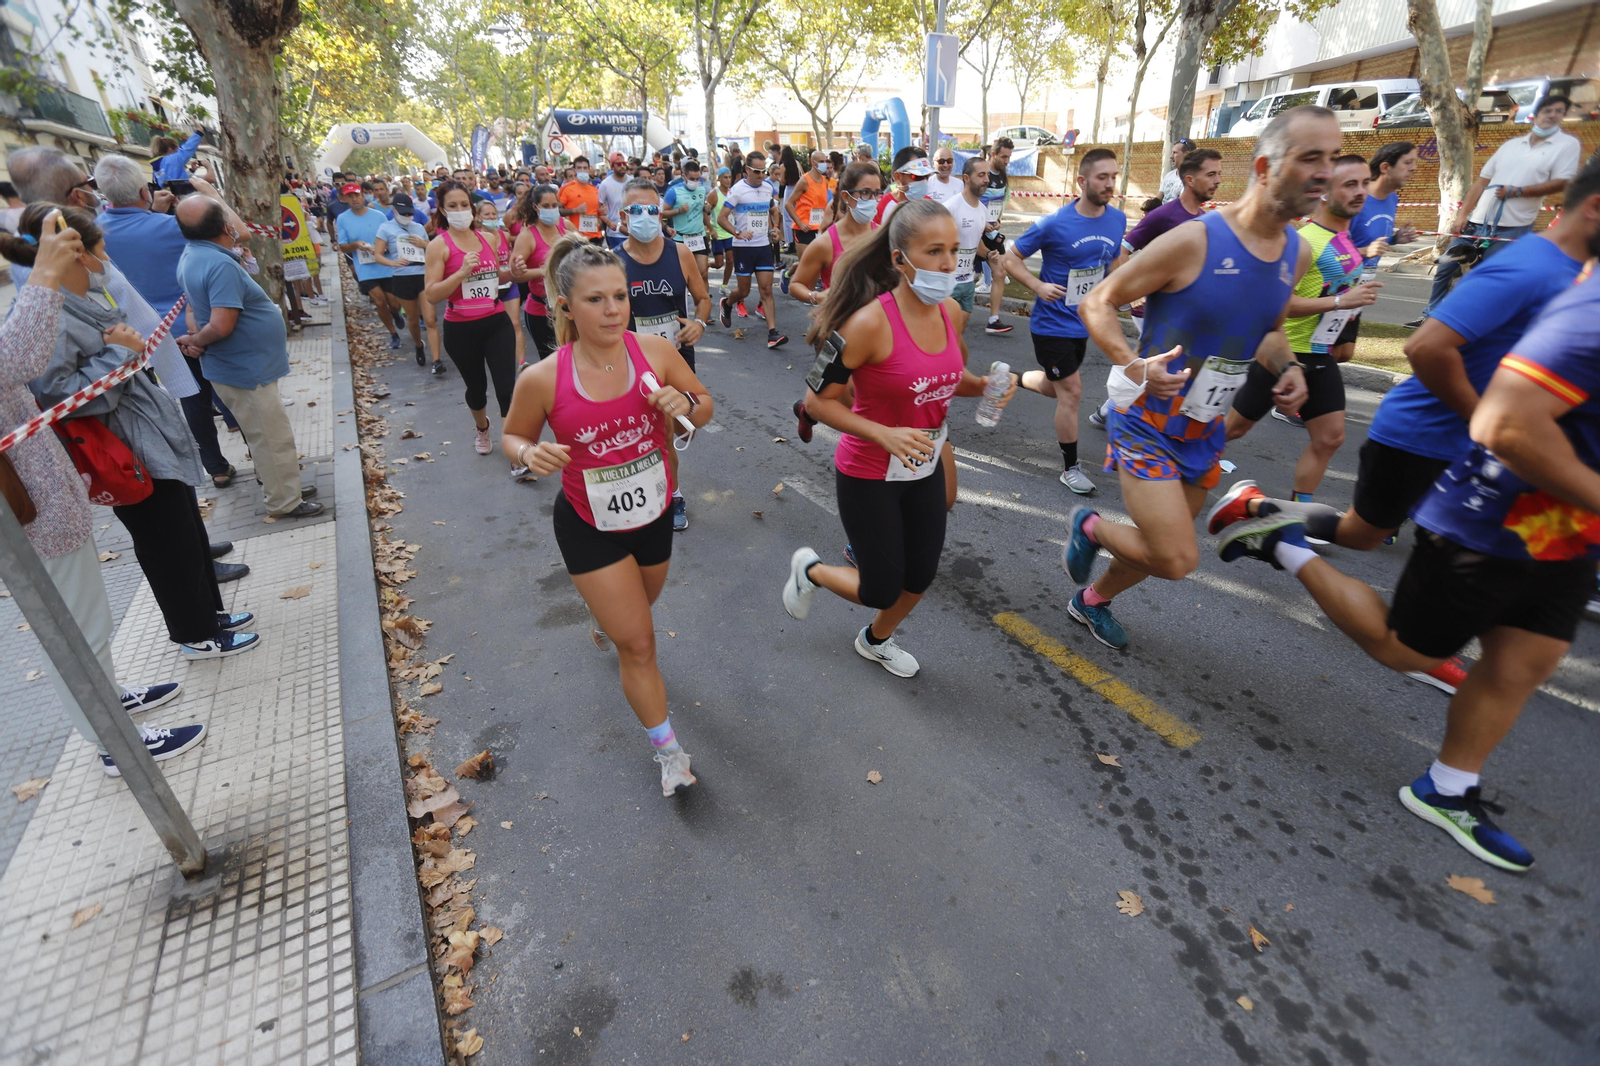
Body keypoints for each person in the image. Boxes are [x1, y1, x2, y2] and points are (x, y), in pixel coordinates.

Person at [1218, 271, 1600, 873]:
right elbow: (1504, 418)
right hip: (1492, 515)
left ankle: (1447, 787)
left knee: (1523, 663)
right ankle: (1282, 541)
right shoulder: (1581, 304)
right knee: (1403, 648)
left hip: (1571, 531)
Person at [1208, 167, 1600, 690]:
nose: (1357, 194)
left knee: (1357, 514)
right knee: (1357, 531)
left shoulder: (1579, 277)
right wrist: (1484, 422)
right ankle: (1419, 639)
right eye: (1346, 184)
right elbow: (1423, 346)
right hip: (1419, 429)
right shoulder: (1531, 267)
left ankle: (1257, 506)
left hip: (1436, 422)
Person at [1062, 106, 1330, 650]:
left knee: (1162, 549)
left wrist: (1291, 367)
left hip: (1204, 425)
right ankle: (1089, 525)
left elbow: (1271, 329)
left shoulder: (1296, 252)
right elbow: (1099, 300)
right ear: (1263, 167)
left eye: (1330, 157)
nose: (1323, 172)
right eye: (1309, 158)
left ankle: (1091, 602)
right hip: (1148, 419)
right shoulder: (1197, 240)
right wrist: (1134, 364)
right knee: (1179, 558)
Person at [499, 237, 715, 798]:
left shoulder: (655, 352)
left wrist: (684, 406)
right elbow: (514, 434)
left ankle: (605, 615)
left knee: (639, 610)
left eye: (620, 295)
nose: (614, 309)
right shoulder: (543, 378)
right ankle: (669, 752)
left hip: (654, 514)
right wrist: (528, 454)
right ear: (566, 305)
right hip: (587, 523)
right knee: (639, 643)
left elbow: (705, 405)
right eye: (596, 299)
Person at [10, 204, 262, 664]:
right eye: (102, 252)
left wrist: (125, 353)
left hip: (146, 430)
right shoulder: (51, 318)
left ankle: (210, 614)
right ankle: (195, 632)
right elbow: (59, 396)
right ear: (78, 256)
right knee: (164, 541)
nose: (109, 263)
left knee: (185, 529)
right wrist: (120, 356)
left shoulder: (91, 295)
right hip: (120, 447)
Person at [0, 211, 201, 774]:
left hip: (43, 491)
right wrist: (43, 273)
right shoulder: (50, 301)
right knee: (74, 627)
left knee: (86, 618)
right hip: (27, 507)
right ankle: (116, 742)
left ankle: (108, 698)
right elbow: (20, 362)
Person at [781, 199, 1016, 676]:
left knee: (921, 575)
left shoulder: (950, 312)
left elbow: (956, 379)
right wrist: (883, 434)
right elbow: (816, 401)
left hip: (921, 462)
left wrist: (992, 385)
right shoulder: (865, 323)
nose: (948, 264)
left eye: (954, 250)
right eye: (934, 252)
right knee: (880, 588)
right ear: (899, 260)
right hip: (869, 468)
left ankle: (875, 639)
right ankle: (812, 571)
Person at [1221, 154, 1380, 525]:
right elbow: (1276, 305)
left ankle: (1296, 516)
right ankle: (1172, 460)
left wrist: (1344, 323)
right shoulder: (1306, 241)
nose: (1361, 192)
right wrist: (1341, 300)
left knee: (1330, 439)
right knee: (1234, 428)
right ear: (1324, 192)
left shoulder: (1343, 237)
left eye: (1364, 183)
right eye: (1350, 185)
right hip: (1285, 353)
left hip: (1319, 353)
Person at [92, 153, 249, 496]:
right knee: (233, 391)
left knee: (192, 400)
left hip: (147, 336)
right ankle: (258, 453)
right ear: (143, 189)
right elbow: (237, 235)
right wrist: (206, 195)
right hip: (200, 322)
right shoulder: (169, 225)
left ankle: (216, 467)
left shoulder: (92, 232)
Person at [173, 197, 322, 521]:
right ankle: (284, 501)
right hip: (244, 368)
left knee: (265, 435)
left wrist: (196, 339)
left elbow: (198, 310)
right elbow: (222, 324)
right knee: (271, 438)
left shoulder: (194, 255)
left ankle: (284, 485)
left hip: (241, 366)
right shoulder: (220, 263)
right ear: (226, 226)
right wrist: (197, 341)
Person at [1004, 148, 1127, 496]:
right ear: (1082, 181)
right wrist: (1037, 285)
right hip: (1051, 324)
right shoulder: (1055, 223)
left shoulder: (1117, 220)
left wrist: (1113, 293)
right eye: (1102, 177)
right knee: (1071, 392)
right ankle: (1070, 468)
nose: (1109, 184)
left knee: (1055, 386)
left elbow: (1114, 259)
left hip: (1084, 323)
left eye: (1113, 177)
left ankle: (1012, 377)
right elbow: (1011, 258)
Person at [1417, 94, 1581, 323]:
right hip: (1476, 222)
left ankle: (1477, 321)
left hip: (1512, 227)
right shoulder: (1511, 145)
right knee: (1444, 269)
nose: (1552, 115)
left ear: (1563, 117)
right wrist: (1463, 214)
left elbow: (1563, 181)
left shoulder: (1567, 145)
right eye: (1548, 110)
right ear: (1536, 114)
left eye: (1559, 112)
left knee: (1490, 277)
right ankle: (1430, 317)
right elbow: (1481, 182)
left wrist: (1518, 191)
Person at [615, 179, 712, 532]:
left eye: (652, 209)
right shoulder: (614, 262)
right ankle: (672, 494)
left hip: (678, 356)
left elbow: (703, 298)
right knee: (662, 432)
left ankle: (665, 484)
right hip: (635, 361)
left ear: (660, 213)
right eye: (636, 210)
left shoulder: (680, 252)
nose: (645, 216)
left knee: (683, 427)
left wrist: (699, 323)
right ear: (624, 216)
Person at [787, 161, 883, 443]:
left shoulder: (882, 235)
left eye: (876, 193)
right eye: (865, 193)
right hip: (835, 334)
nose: (872, 200)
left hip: (876, 332)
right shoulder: (825, 243)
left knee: (865, 402)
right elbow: (796, 285)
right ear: (846, 197)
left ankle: (810, 410)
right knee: (849, 406)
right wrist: (816, 296)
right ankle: (810, 411)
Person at [424, 181, 519, 464]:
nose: (460, 210)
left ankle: (514, 451)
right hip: (461, 329)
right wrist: (461, 272)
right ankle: (482, 428)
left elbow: (495, 277)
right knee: (476, 390)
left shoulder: (488, 238)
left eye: (464, 205)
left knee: (506, 389)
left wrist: (511, 272)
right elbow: (431, 294)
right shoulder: (438, 246)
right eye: (452, 206)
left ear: (472, 207)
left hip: (496, 322)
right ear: (442, 209)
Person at [1340, 141, 1418, 360]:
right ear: (1385, 167)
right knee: (1332, 352)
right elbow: (1329, 246)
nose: (1414, 168)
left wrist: (1395, 239)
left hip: (1363, 283)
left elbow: (1372, 240)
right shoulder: (1356, 199)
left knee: (1344, 353)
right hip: (1339, 283)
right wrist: (1365, 251)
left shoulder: (1392, 199)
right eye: (1408, 162)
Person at [716, 149, 788, 349]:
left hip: (763, 246)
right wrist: (737, 232)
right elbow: (721, 218)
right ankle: (727, 304)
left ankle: (773, 333)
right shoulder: (738, 190)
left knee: (766, 289)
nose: (761, 175)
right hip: (743, 248)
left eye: (763, 171)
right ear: (747, 170)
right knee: (745, 291)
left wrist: (775, 228)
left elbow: (774, 210)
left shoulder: (767, 188)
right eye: (757, 171)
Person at [336, 182, 403, 350]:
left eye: (357, 195)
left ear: (363, 196)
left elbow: (390, 236)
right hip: (364, 267)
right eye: (350, 196)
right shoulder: (343, 219)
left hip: (384, 263)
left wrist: (385, 247)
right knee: (380, 301)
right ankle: (393, 334)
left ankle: (395, 313)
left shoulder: (378, 216)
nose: (354, 199)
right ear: (345, 199)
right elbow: (342, 246)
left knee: (394, 303)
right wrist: (357, 245)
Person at [509, 183, 568, 364]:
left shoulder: (565, 226)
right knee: (551, 363)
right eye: (546, 206)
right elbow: (515, 274)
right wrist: (545, 270)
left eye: (554, 206)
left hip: (568, 306)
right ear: (535, 207)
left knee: (572, 358)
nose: (551, 210)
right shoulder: (527, 236)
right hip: (541, 311)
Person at [372, 192, 431, 367]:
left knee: (430, 319)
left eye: (409, 213)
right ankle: (418, 344)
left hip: (421, 273)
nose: (407, 217)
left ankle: (436, 360)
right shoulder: (385, 228)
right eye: (403, 213)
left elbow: (432, 250)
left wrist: (425, 244)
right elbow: (377, 255)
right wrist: (393, 262)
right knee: (412, 319)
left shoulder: (418, 227)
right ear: (395, 210)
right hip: (402, 276)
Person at [945, 157, 1001, 337]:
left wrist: (988, 254)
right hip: (948, 282)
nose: (986, 179)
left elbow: (975, 242)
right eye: (981, 175)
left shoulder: (982, 211)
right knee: (944, 335)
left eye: (988, 175)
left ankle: (953, 364)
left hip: (967, 282)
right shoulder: (950, 208)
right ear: (967, 179)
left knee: (958, 333)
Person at [475, 197, 526, 369]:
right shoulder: (475, 239)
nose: (491, 217)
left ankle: (521, 363)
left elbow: (519, 241)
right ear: (478, 217)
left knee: (515, 323)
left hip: (509, 285)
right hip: (489, 288)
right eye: (486, 215)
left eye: (493, 214)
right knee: (492, 327)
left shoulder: (504, 235)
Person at [978, 137, 1015, 335]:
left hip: (991, 232)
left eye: (1009, 157)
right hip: (974, 231)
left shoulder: (1003, 175)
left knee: (999, 273)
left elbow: (998, 203)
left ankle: (993, 320)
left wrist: (997, 220)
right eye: (1003, 156)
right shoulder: (982, 172)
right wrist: (980, 222)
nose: (1006, 161)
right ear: (993, 154)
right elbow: (970, 198)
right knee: (961, 277)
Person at [662, 157, 711, 286]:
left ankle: (704, 304)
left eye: (697, 179)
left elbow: (702, 208)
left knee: (703, 273)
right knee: (683, 276)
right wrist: (678, 210)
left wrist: (707, 210)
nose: (695, 182)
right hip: (681, 238)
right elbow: (662, 213)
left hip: (699, 236)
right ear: (684, 176)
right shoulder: (674, 191)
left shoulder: (701, 189)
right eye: (692, 179)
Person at [783, 150, 834, 249]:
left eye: (825, 161)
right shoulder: (804, 181)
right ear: (812, 162)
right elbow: (788, 204)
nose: (824, 164)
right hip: (804, 229)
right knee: (804, 263)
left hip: (819, 227)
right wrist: (800, 223)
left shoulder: (824, 181)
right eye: (821, 161)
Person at [875, 148, 932, 228]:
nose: (924, 181)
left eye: (927, 176)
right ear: (898, 176)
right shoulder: (883, 206)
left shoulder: (930, 204)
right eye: (916, 176)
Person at [559, 156, 605, 244]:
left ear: (589, 169)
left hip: (595, 237)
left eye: (585, 168)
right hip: (576, 238)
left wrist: (602, 212)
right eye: (579, 168)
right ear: (574, 170)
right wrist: (575, 210)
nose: (582, 171)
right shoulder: (567, 189)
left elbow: (598, 213)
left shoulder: (595, 189)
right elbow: (558, 211)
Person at [708, 167, 736, 294]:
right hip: (718, 233)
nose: (728, 180)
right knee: (719, 264)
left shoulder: (733, 192)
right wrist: (710, 229)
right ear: (719, 178)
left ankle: (724, 286)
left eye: (730, 177)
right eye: (725, 177)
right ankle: (707, 264)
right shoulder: (714, 194)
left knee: (730, 260)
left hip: (730, 232)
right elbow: (705, 213)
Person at [597, 152, 632, 236]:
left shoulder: (632, 181)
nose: (622, 166)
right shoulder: (605, 184)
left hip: (633, 231)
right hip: (615, 233)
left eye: (624, 163)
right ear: (612, 166)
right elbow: (599, 210)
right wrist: (609, 222)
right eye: (619, 164)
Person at [1158, 138, 1197, 203]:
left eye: (1175, 153)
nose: (1171, 156)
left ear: (1186, 154)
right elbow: (1158, 199)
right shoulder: (1169, 175)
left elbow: (1182, 204)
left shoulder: (1192, 179)